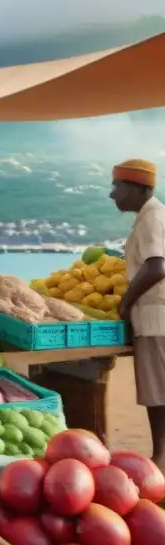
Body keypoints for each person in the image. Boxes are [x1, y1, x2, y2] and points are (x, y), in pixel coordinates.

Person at [111, 159, 165, 469]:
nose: (113, 195)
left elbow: (157, 267)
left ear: (136, 188)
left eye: (118, 186)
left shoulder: (152, 218)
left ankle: (161, 457)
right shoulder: (149, 216)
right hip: (153, 317)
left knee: (158, 391)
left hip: (156, 317)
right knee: (157, 389)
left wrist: (125, 302)